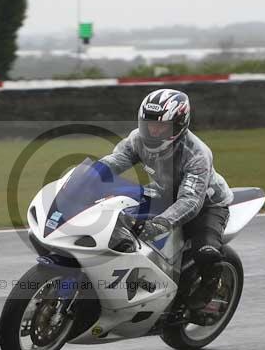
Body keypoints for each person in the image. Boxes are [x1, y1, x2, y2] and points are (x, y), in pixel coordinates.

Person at [99, 88, 233, 309]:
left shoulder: (197, 153)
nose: (152, 131)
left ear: (180, 124)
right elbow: (116, 160)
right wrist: (90, 173)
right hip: (163, 192)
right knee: (116, 221)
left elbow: (190, 201)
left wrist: (158, 225)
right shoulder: (137, 139)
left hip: (207, 205)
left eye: (161, 126)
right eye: (148, 124)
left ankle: (211, 285)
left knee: (206, 252)